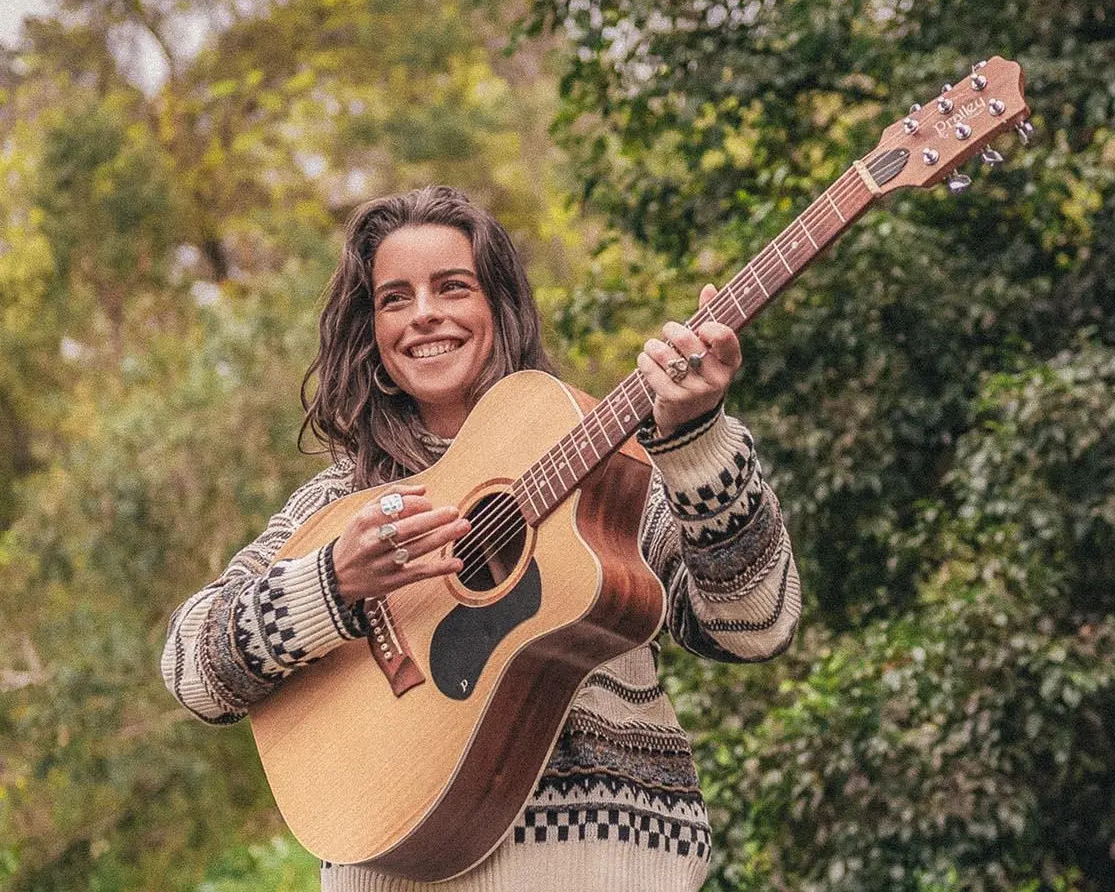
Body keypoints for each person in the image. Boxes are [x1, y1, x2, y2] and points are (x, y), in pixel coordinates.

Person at [161, 185, 801, 892]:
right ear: (371, 331)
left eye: (452, 287)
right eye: (395, 298)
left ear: (500, 306)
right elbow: (192, 670)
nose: (424, 314)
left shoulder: (607, 469)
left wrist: (697, 438)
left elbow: (755, 626)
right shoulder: (342, 502)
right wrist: (333, 584)